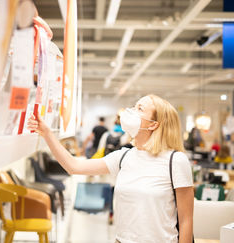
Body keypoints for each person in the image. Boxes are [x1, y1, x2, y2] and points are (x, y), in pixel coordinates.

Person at [28, 94, 194, 243]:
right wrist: (47, 134)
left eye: (140, 109)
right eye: (134, 106)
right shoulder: (123, 157)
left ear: (153, 125)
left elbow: (186, 220)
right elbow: (74, 166)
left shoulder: (176, 161)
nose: (131, 111)